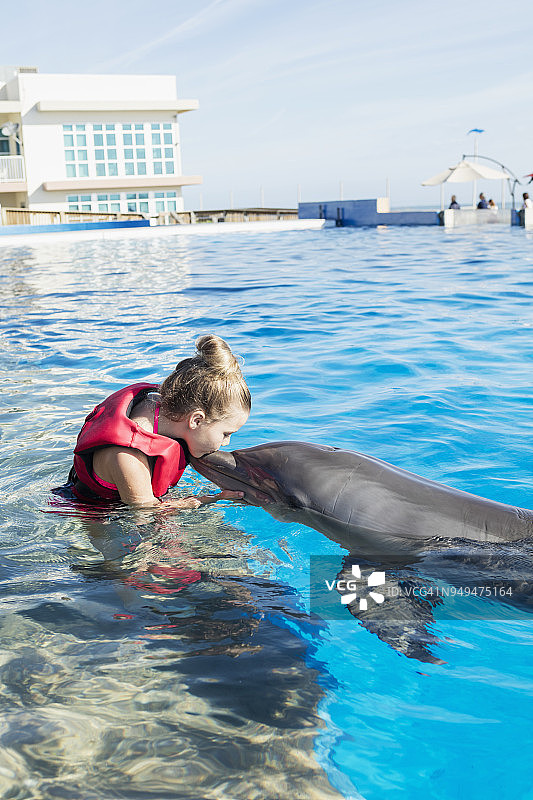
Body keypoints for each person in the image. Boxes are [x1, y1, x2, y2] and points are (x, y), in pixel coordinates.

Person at [68, 335, 250, 508]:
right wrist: (210, 499)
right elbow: (145, 514)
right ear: (196, 420)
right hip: (98, 512)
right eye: (226, 434)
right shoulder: (129, 458)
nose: (226, 443)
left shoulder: (163, 406)